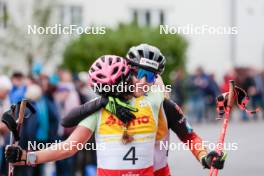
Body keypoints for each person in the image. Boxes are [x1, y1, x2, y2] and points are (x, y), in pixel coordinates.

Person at [61, 44, 227, 175]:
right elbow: (68, 122)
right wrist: (102, 102)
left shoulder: (161, 102)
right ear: (127, 71)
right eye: (140, 73)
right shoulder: (111, 101)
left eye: (151, 76)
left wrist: (205, 157)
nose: (143, 81)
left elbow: (189, 135)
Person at [4, 55, 165, 176]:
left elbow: (157, 79)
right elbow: (68, 146)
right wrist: (26, 157)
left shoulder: (151, 97)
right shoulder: (100, 109)